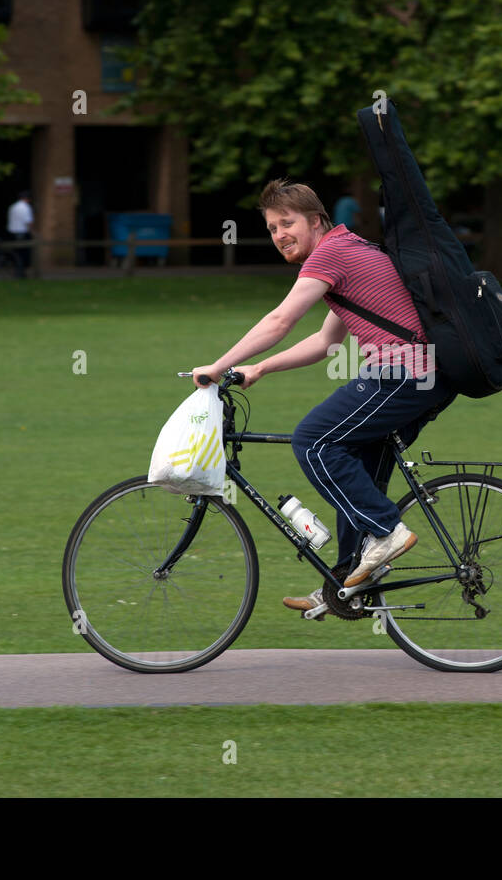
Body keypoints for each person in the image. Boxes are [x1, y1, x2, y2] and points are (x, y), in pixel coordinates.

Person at [190, 178, 456, 613]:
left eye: (287, 223)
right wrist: (259, 367)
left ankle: (388, 531)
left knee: (313, 440)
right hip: (428, 377)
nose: (279, 235)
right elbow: (326, 343)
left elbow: (280, 321)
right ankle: (345, 583)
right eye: (272, 228)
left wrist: (217, 366)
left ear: (316, 221)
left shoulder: (332, 254)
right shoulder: (349, 250)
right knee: (355, 471)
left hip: (405, 374)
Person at [6, 190, 35, 278]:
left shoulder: (12, 207)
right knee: (24, 254)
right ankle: (21, 273)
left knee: (16, 254)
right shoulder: (26, 207)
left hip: (12, 233)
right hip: (22, 233)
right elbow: (28, 222)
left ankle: (17, 271)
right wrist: (33, 232)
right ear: (26, 199)